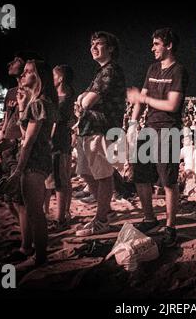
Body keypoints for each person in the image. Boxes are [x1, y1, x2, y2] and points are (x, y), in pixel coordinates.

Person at [127, 28, 189, 247]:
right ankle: (149, 218)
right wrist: (133, 123)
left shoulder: (178, 71)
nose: (152, 48)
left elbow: (172, 105)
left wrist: (144, 98)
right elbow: (140, 99)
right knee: (140, 175)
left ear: (168, 45)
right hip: (148, 127)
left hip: (168, 129)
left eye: (156, 44)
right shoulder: (152, 68)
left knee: (168, 180)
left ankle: (171, 225)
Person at [74, 31, 126, 236]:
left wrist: (83, 100)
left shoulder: (110, 70)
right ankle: (107, 211)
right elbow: (82, 99)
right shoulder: (101, 72)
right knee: (86, 172)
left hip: (103, 128)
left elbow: (85, 102)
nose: (93, 47)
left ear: (111, 48)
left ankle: (102, 219)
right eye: (91, 44)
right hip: (90, 128)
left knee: (103, 175)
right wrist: (82, 100)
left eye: (98, 44)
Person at [8, 59, 58, 268]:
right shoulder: (40, 101)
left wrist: (18, 169)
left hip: (34, 160)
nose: (23, 75)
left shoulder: (39, 103)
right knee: (32, 209)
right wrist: (21, 107)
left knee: (35, 211)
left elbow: (28, 141)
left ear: (38, 77)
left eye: (28, 72)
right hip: (38, 158)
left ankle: (39, 258)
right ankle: (37, 255)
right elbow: (24, 135)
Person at [0, 51, 42, 264]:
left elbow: (29, 129)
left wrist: (12, 143)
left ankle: (27, 245)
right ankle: (29, 235)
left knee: (20, 201)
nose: (10, 63)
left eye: (15, 61)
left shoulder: (32, 93)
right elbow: (7, 120)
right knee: (10, 201)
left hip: (18, 148)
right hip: (6, 148)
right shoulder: (12, 92)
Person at [44, 65, 76, 231]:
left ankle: (59, 219)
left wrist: (47, 140)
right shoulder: (68, 94)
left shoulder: (62, 98)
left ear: (61, 78)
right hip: (63, 143)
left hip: (57, 144)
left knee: (58, 182)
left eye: (54, 76)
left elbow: (55, 123)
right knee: (62, 180)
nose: (52, 79)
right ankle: (64, 214)